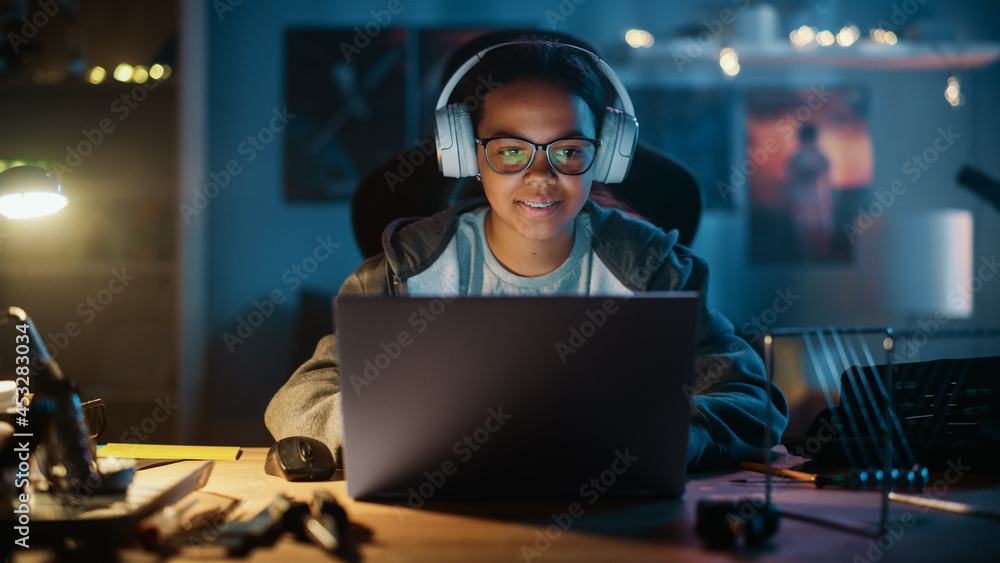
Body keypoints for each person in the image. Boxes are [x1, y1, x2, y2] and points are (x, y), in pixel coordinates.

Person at [265, 37, 788, 472]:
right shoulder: (404, 271)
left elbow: (753, 401)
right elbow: (298, 401)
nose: (541, 175)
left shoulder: (653, 271)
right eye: (511, 150)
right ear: (467, 152)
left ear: (602, 156)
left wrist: (654, 429)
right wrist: (406, 430)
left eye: (568, 151)